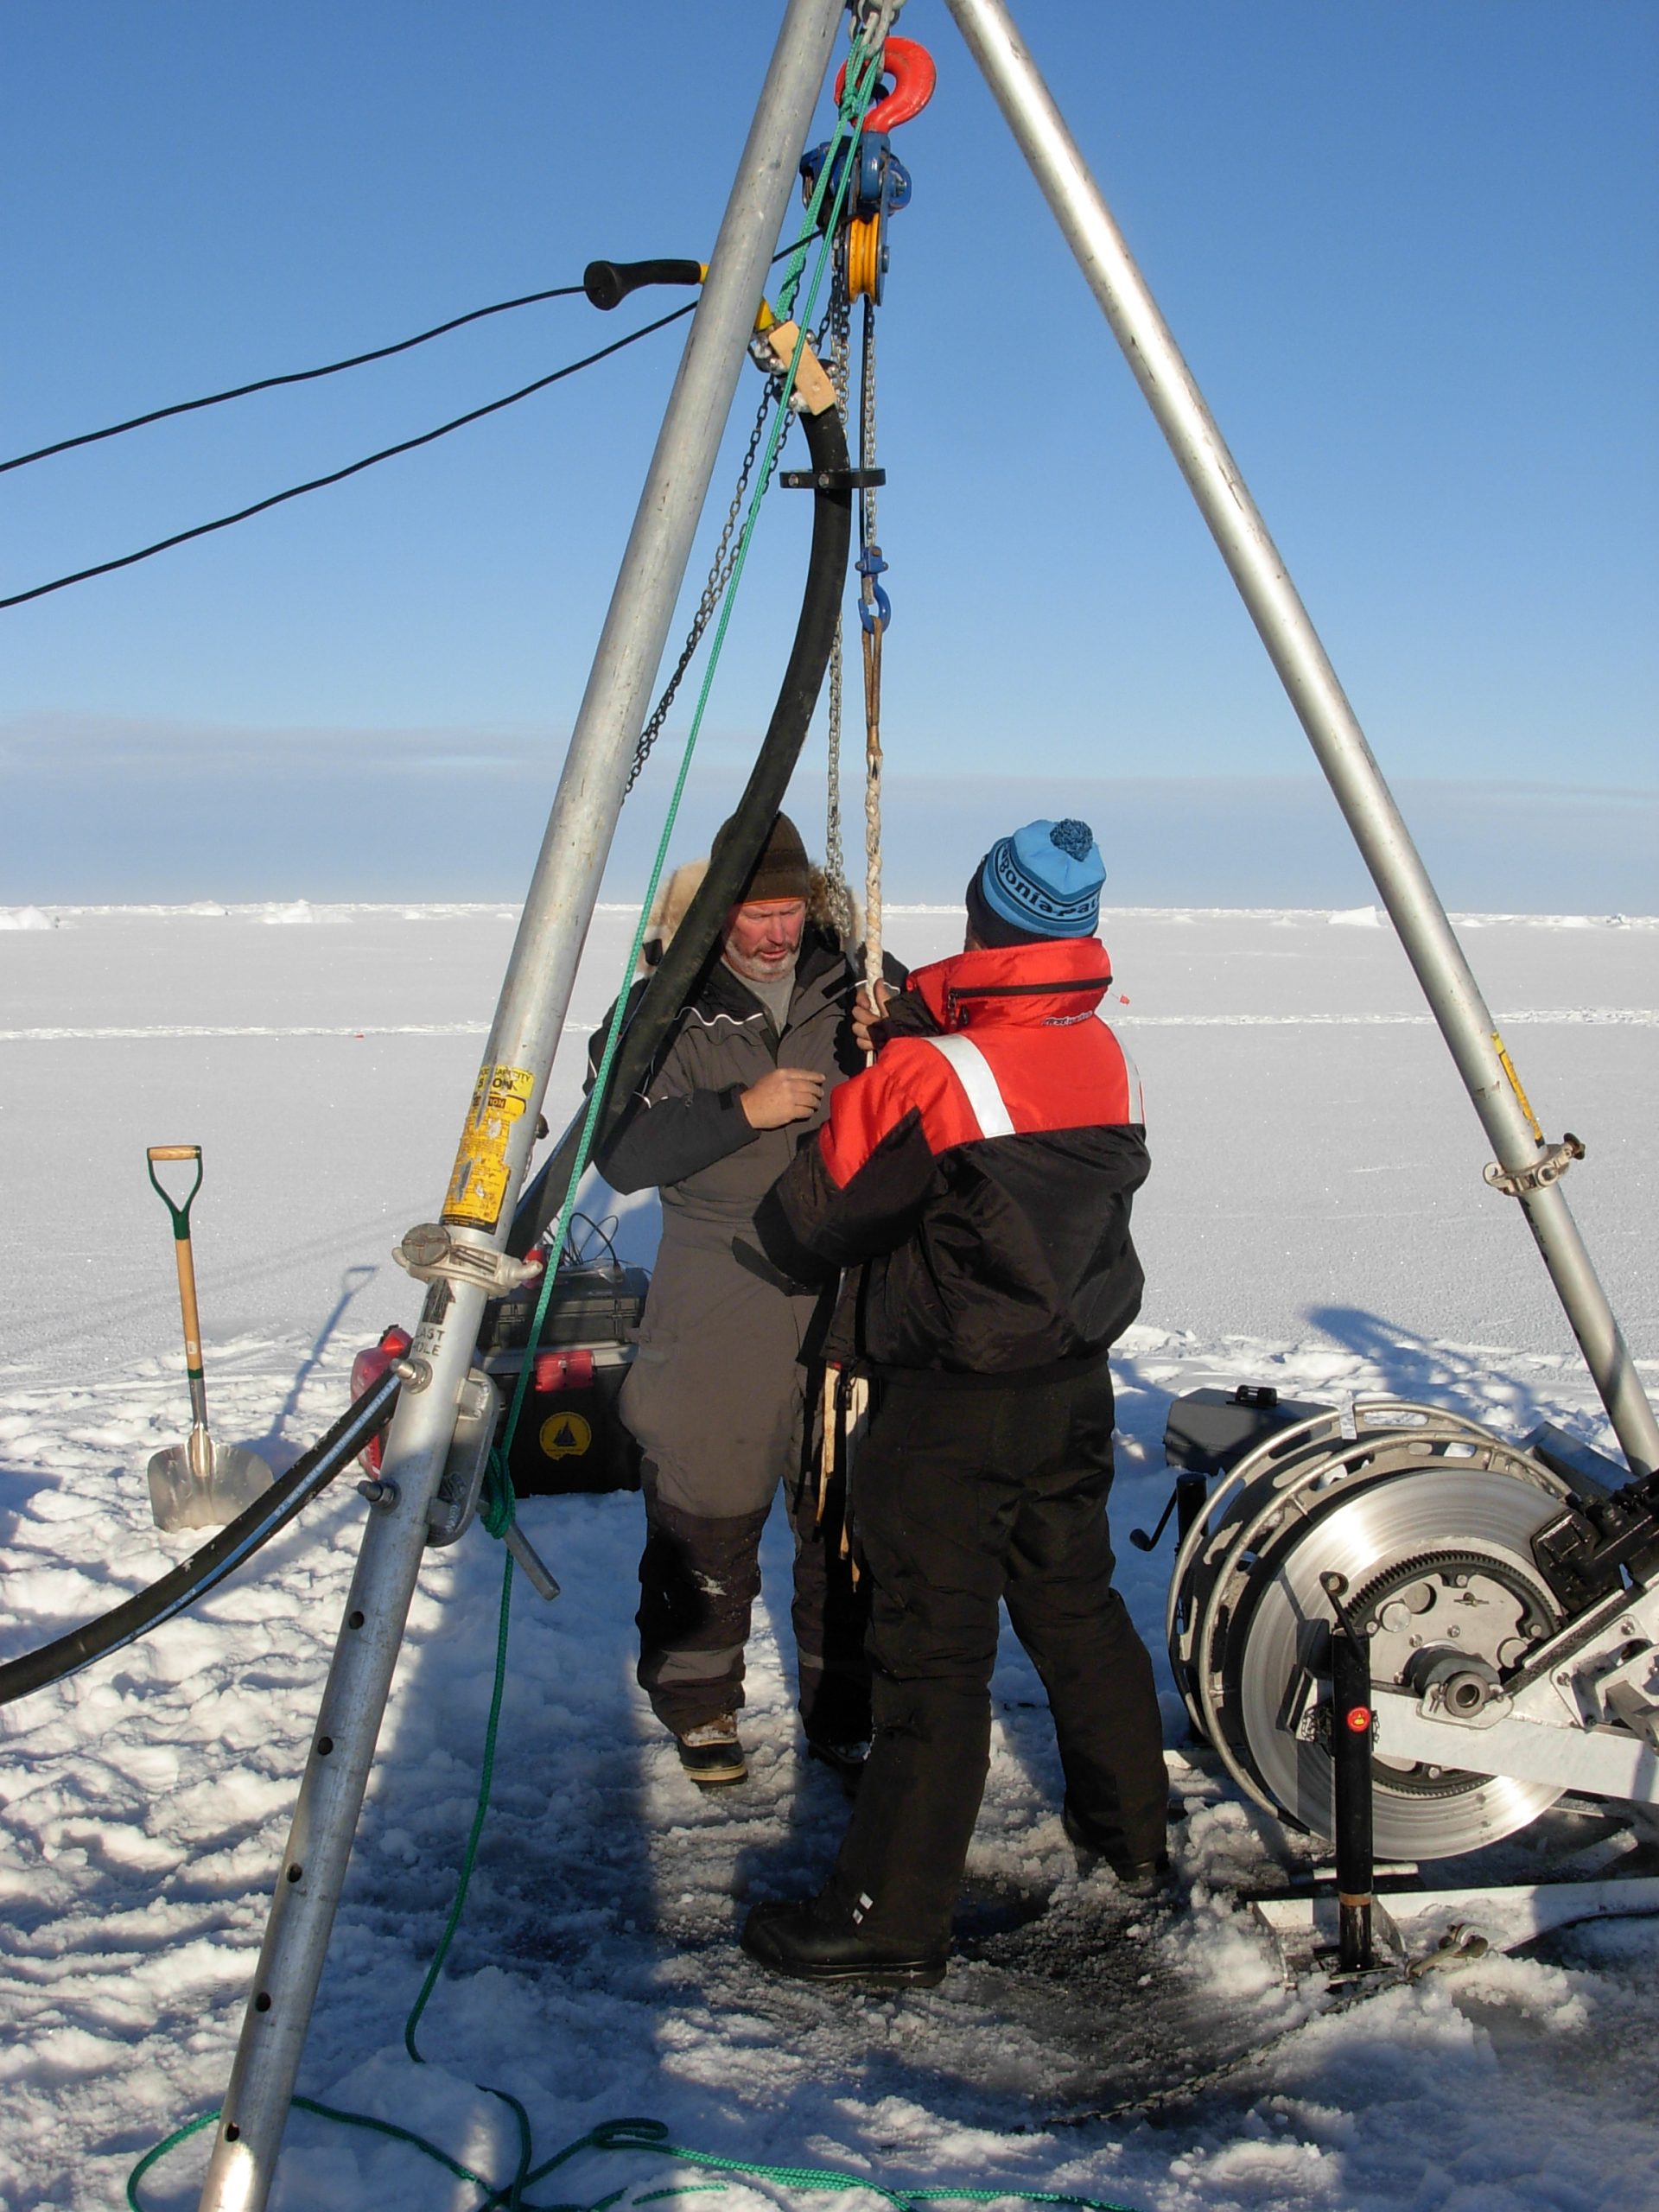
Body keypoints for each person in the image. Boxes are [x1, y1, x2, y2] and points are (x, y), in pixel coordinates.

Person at [740, 817, 1168, 1985]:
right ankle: (1137, 1842)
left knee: (932, 1662)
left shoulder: (927, 1074)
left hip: (947, 1413)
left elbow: (808, 1226)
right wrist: (918, 1031)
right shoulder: (1096, 1050)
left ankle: (888, 1920)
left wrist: (864, 1085)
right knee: (1077, 1614)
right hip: (1073, 1393)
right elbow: (998, 1092)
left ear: (984, 914)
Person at [597, 811, 877, 1789]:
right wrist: (743, 1111)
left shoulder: (857, 986)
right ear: (718, 910)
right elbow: (621, 1148)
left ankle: (847, 1704)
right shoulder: (667, 1007)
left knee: (844, 1509)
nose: (776, 932)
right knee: (707, 1505)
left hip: (845, 1284)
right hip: (723, 1281)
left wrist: (897, 1041)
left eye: (790, 910)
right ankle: (701, 1704)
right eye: (757, 912)